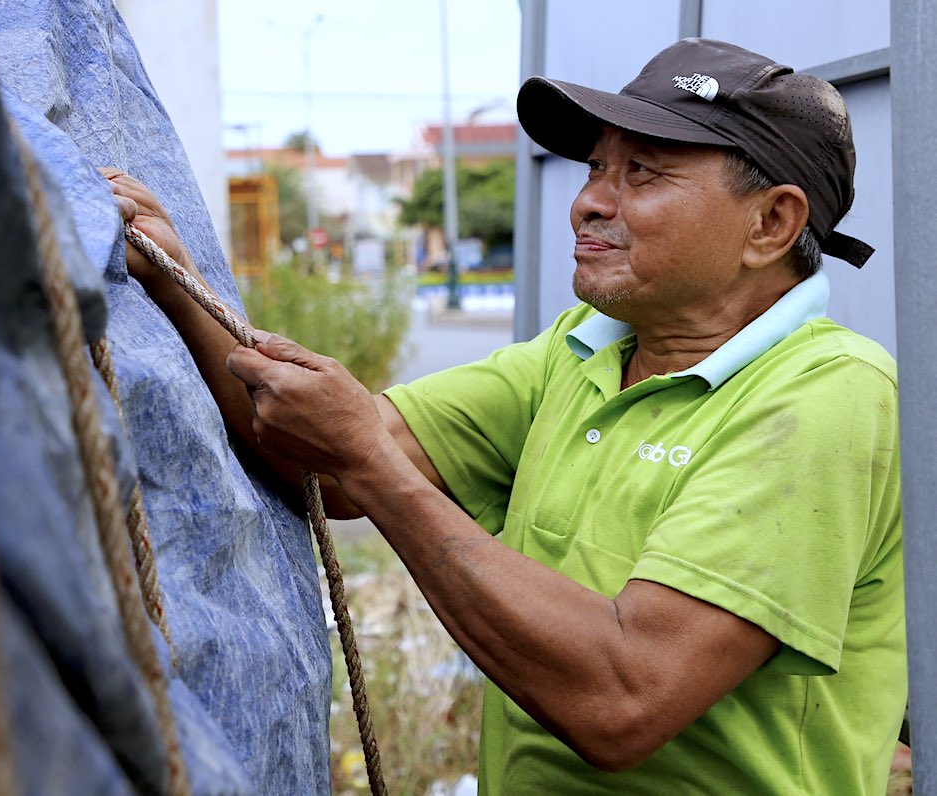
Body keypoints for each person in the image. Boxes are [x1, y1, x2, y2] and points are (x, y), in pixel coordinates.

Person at [108, 37, 905, 794]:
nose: (590, 202)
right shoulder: (581, 352)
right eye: (597, 167)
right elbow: (321, 458)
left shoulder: (824, 397)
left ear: (771, 224)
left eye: (645, 174)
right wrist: (177, 282)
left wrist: (373, 466)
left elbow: (624, 700)